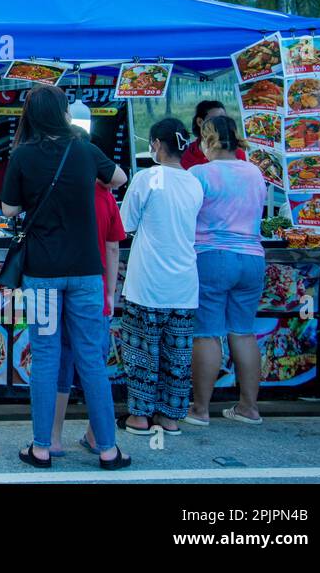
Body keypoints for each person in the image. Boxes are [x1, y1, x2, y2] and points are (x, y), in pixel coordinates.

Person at [1, 84, 130, 470]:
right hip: (88, 273)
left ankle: (42, 448)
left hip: (41, 274)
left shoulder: (22, 155)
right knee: (92, 358)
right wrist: (95, 181)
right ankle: (108, 450)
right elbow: (120, 177)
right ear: (63, 114)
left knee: (44, 357)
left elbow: (8, 209)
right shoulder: (85, 150)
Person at [118, 119, 204, 437]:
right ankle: (170, 418)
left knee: (142, 353)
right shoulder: (194, 182)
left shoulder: (147, 178)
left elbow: (124, 225)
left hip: (147, 283)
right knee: (176, 357)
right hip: (184, 283)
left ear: (155, 144)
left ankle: (140, 418)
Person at [186, 114, 267, 427]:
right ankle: (249, 407)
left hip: (212, 257)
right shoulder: (255, 173)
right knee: (243, 332)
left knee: (206, 333)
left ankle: (201, 409)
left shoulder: (200, 173)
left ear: (207, 141)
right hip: (252, 258)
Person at [49, 141, 126, 456]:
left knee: (60, 363)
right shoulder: (106, 198)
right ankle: (98, 438)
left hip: (56, 285)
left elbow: (29, 232)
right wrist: (110, 291)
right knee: (94, 363)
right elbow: (112, 248)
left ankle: (52, 438)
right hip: (93, 289)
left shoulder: (58, 192)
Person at [181, 100, 247, 169]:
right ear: (200, 122)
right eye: (214, 119)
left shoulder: (238, 153)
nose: (221, 123)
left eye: (224, 119)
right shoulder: (186, 154)